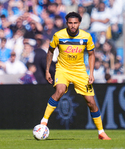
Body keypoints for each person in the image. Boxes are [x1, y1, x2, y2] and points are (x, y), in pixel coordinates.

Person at [40, 12, 111, 140]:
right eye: (70, 23)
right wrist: (47, 70)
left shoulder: (86, 37)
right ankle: (44, 121)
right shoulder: (58, 35)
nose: (73, 26)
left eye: (75, 23)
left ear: (79, 23)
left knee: (91, 102)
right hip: (63, 69)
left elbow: (91, 54)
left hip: (80, 71)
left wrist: (91, 73)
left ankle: (101, 132)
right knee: (60, 90)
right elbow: (50, 52)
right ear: (67, 23)